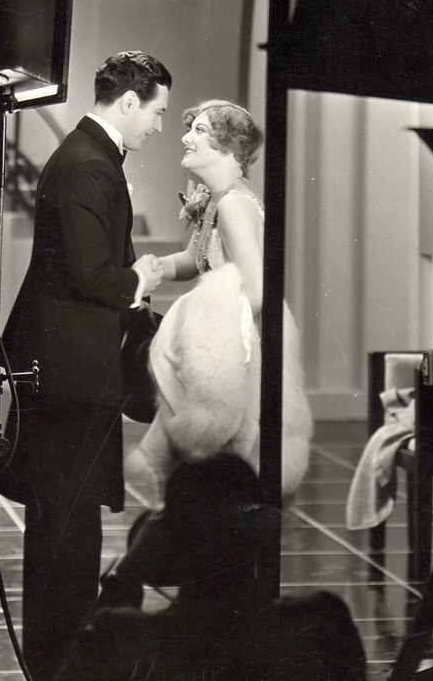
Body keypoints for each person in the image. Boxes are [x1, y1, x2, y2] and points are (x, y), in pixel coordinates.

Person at [0, 51, 172, 681]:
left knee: (65, 541)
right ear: (129, 102)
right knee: (65, 544)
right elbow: (92, 272)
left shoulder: (88, 156)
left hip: (70, 373)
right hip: (69, 378)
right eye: (159, 111)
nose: (161, 125)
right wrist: (141, 277)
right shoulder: (87, 163)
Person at [51, 453, 371, 681]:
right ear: (260, 535)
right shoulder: (322, 623)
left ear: (168, 541)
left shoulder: (125, 636)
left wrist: (127, 575)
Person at [124, 100, 313, 504]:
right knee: (202, 462)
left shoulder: (233, 205)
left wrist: (209, 344)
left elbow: (257, 291)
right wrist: (149, 268)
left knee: (222, 455)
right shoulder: (219, 199)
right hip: (229, 334)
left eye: (200, 131)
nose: (185, 137)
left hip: (242, 341)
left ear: (227, 147)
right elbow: (195, 261)